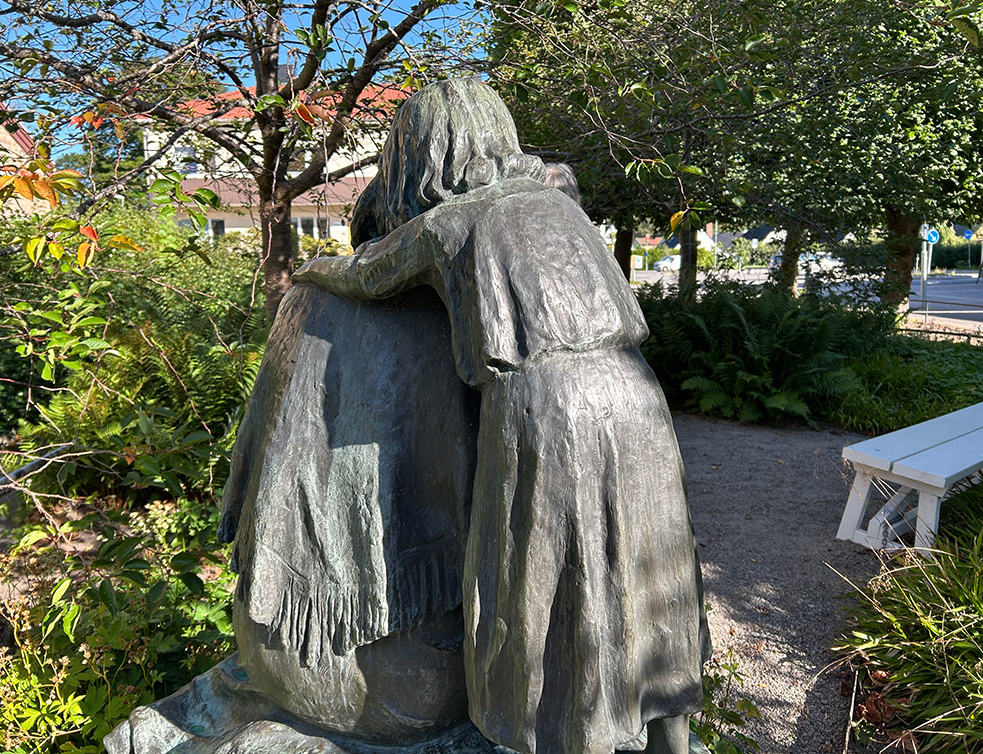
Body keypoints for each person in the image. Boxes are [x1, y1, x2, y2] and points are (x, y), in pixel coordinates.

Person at [294, 78, 709, 754]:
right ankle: (670, 741)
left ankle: (564, 736)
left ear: (419, 156)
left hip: (545, 409)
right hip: (635, 397)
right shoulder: (559, 199)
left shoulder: (446, 224)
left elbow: (367, 273)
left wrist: (315, 268)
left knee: (546, 586)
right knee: (646, 567)